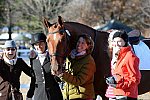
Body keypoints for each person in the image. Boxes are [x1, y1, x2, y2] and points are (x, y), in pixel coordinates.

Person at [57, 34, 96, 100]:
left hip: (83, 97)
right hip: (69, 96)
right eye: (78, 42)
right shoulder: (70, 58)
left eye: (83, 43)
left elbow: (79, 81)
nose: (79, 45)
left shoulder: (89, 61)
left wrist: (62, 74)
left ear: (88, 46)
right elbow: (66, 79)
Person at [26, 32, 63, 100]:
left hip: (54, 94)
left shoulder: (52, 59)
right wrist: (29, 95)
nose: (39, 46)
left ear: (45, 44)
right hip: (39, 95)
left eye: (41, 44)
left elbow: (58, 78)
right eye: (36, 45)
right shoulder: (33, 60)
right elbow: (34, 79)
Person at [105, 30, 141, 100]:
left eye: (119, 41)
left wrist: (118, 84)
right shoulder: (118, 56)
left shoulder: (130, 57)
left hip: (127, 95)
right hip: (117, 93)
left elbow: (135, 79)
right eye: (114, 41)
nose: (116, 44)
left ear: (125, 42)